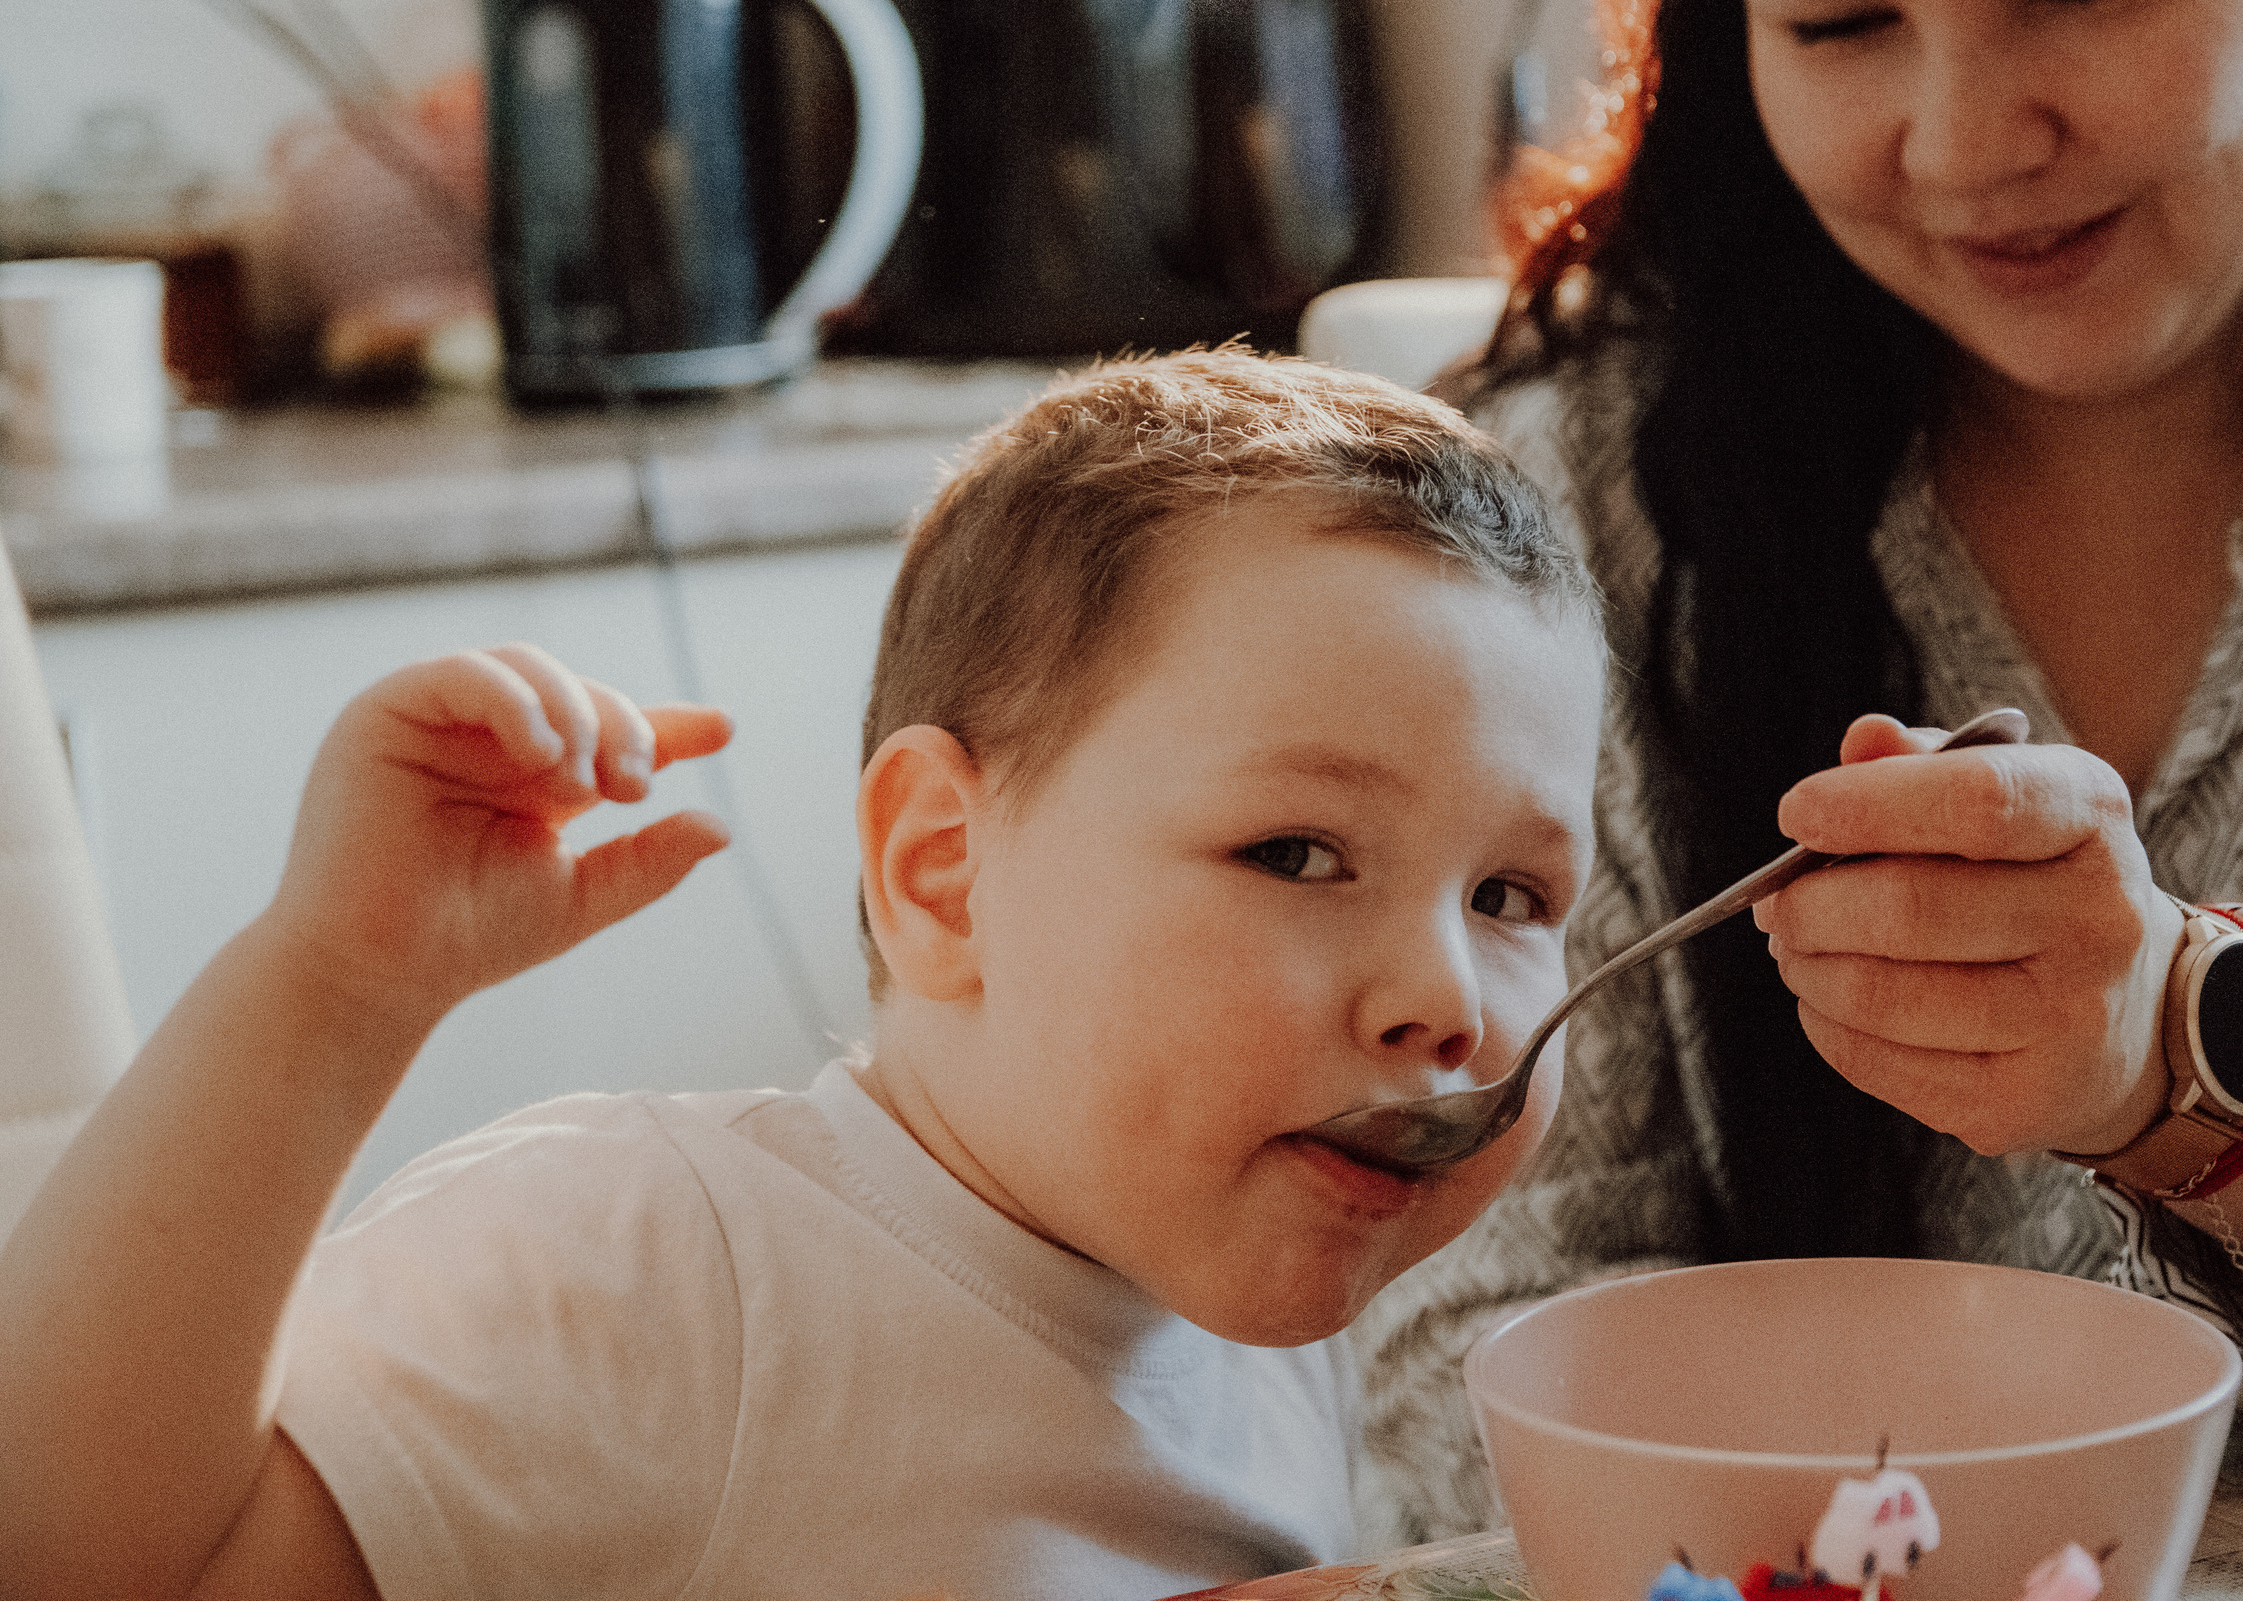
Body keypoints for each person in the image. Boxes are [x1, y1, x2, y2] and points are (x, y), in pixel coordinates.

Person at [0, 349, 1608, 1599]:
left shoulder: (1275, 1335)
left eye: (1514, 893)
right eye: (1299, 854)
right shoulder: (662, 1261)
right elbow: (90, 1568)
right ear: (942, 872)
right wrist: (334, 989)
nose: (1452, 998)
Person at [1355, 0, 2243, 1542]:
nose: (1968, 142)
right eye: (1839, 23)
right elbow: (1454, 1318)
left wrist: (2183, 1045)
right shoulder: (1576, 496)